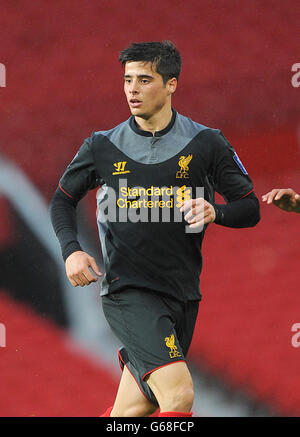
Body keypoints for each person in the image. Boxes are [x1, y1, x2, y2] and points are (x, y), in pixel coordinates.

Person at [50, 41, 260, 417]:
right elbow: (62, 200)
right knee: (178, 396)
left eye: (144, 80)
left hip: (181, 295)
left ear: (171, 84)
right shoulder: (102, 145)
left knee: (131, 411)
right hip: (128, 290)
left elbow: (249, 208)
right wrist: (72, 250)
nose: (132, 89)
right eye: (127, 79)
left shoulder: (206, 143)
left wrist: (217, 212)